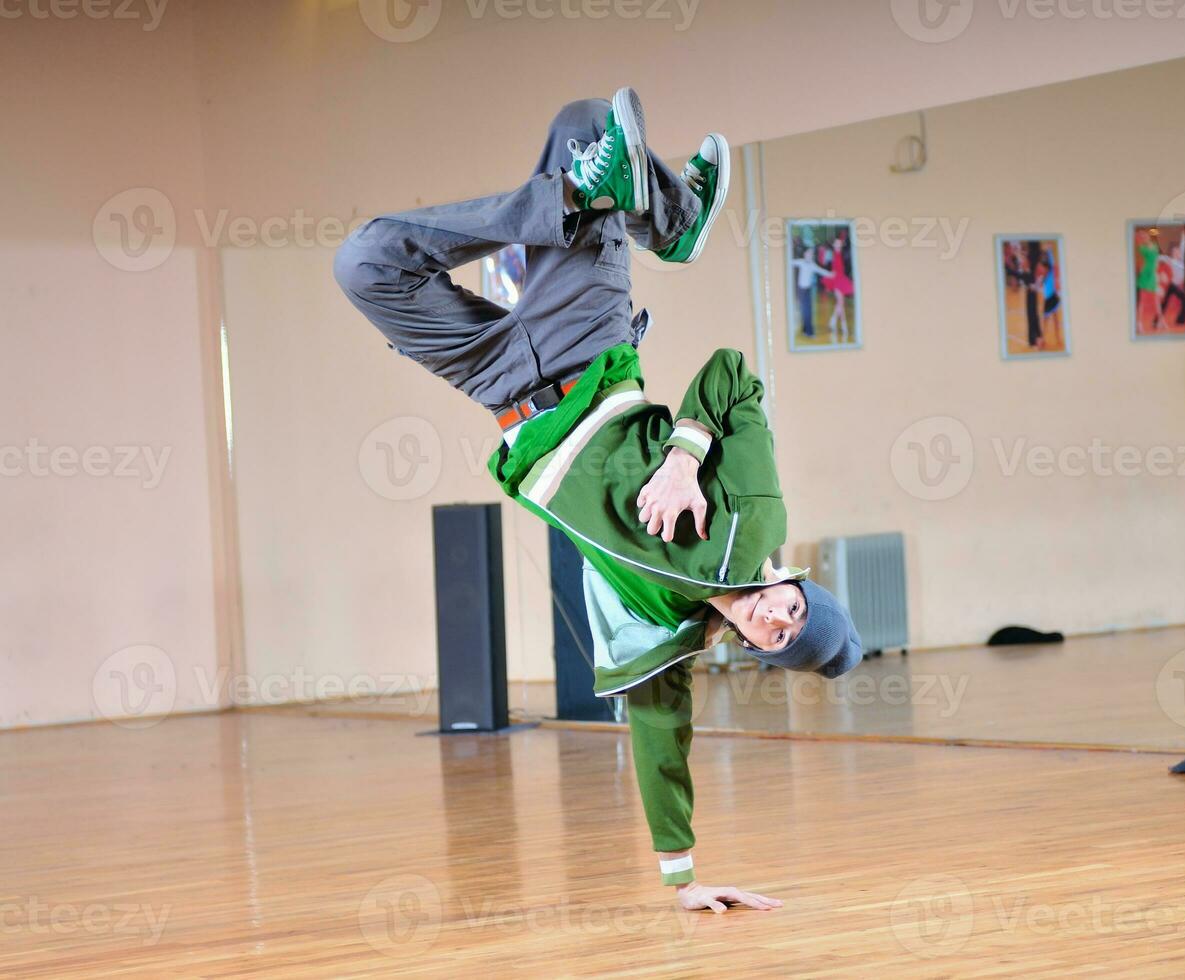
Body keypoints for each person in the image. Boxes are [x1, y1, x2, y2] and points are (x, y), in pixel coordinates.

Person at [333, 88, 863, 914]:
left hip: (503, 388)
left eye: (784, 640)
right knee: (582, 122)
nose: (781, 622)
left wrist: (684, 883)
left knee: (366, 261)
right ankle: (667, 216)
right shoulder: (753, 522)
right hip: (588, 349)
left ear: (759, 649)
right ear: (793, 583)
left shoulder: (659, 636)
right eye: (798, 610)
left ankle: (611, 202)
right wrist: (687, 457)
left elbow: (661, 749)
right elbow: (734, 378)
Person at [820, 230, 855, 344]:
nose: (838, 245)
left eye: (839, 243)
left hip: (841, 279)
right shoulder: (833, 254)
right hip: (835, 280)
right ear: (834, 245)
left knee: (840, 303)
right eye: (836, 243)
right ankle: (842, 325)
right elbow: (826, 264)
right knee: (840, 303)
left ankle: (834, 321)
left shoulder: (842, 254)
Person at [790, 243, 828, 339]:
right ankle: (809, 333)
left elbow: (821, 271)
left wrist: (832, 274)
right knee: (806, 312)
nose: (810, 255)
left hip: (808, 290)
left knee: (808, 311)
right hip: (801, 290)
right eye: (809, 253)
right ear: (805, 254)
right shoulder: (801, 262)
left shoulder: (812, 265)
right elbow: (790, 262)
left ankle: (805, 331)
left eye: (812, 254)